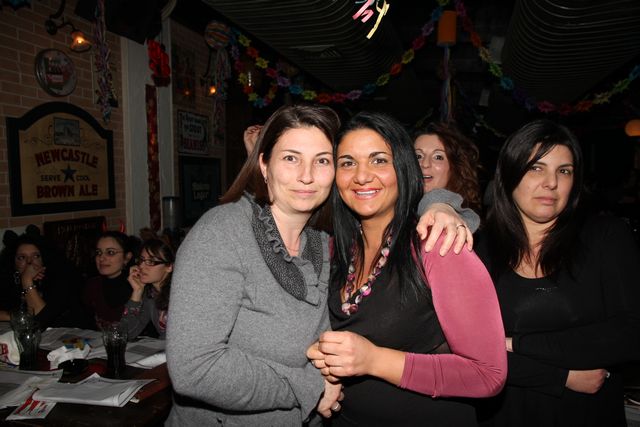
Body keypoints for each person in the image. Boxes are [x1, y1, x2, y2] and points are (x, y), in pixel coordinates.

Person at [166, 104, 475, 426]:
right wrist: (310, 387)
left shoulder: (326, 240)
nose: (307, 175)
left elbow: (395, 197)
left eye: (322, 160)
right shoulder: (223, 233)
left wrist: (440, 204)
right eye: (291, 158)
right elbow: (193, 369)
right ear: (264, 164)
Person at [307, 111, 507, 426]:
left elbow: (488, 374)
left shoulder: (438, 246)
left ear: (403, 168)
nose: (362, 176)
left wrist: (374, 360)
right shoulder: (336, 249)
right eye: (347, 163)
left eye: (378, 160)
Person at [475, 119, 640, 426]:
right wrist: (560, 375)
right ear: (509, 174)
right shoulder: (478, 249)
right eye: (536, 168)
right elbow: (467, 352)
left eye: (564, 171)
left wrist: (514, 344)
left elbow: (630, 335)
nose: (551, 182)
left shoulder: (604, 237)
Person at [0, 229, 88, 329]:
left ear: (44, 258)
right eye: (22, 257)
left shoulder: (61, 279)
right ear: (13, 263)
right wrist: (14, 316)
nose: (29, 262)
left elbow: (40, 320)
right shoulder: (9, 280)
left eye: (36, 256)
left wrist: (26, 280)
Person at [414, 122, 483, 214]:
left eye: (438, 157)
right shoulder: (400, 210)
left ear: (455, 167)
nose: (425, 164)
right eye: (418, 156)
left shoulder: (456, 218)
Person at [120, 238, 174, 340]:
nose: (141, 266)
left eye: (151, 261)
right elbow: (126, 333)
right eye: (141, 260)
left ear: (169, 266)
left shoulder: (180, 295)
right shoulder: (150, 294)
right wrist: (137, 292)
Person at [83, 231, 138, 329]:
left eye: (110, 252)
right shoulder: (93, 285)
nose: (101, 258)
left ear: (127, 257)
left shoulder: (137, 286)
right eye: (98, 252)